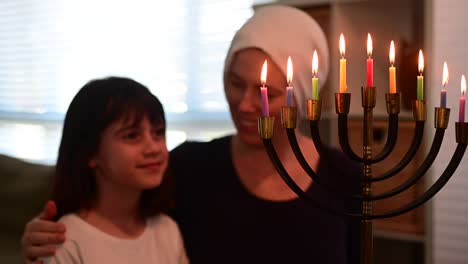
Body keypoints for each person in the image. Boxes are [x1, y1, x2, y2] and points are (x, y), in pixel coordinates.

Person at [21, 5, 361, 264]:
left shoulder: (343, 177)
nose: (243, 105)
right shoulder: (189, 167)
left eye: (263, 92)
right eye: (234, 82)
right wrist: (42, 232)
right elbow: (105, 207)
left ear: (301, 96)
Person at [36, 77, 189, 264]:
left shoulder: (167, 230)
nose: (154, 148)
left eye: (158, 132)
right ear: (90, 153)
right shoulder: (65, 241)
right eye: (132, 135)